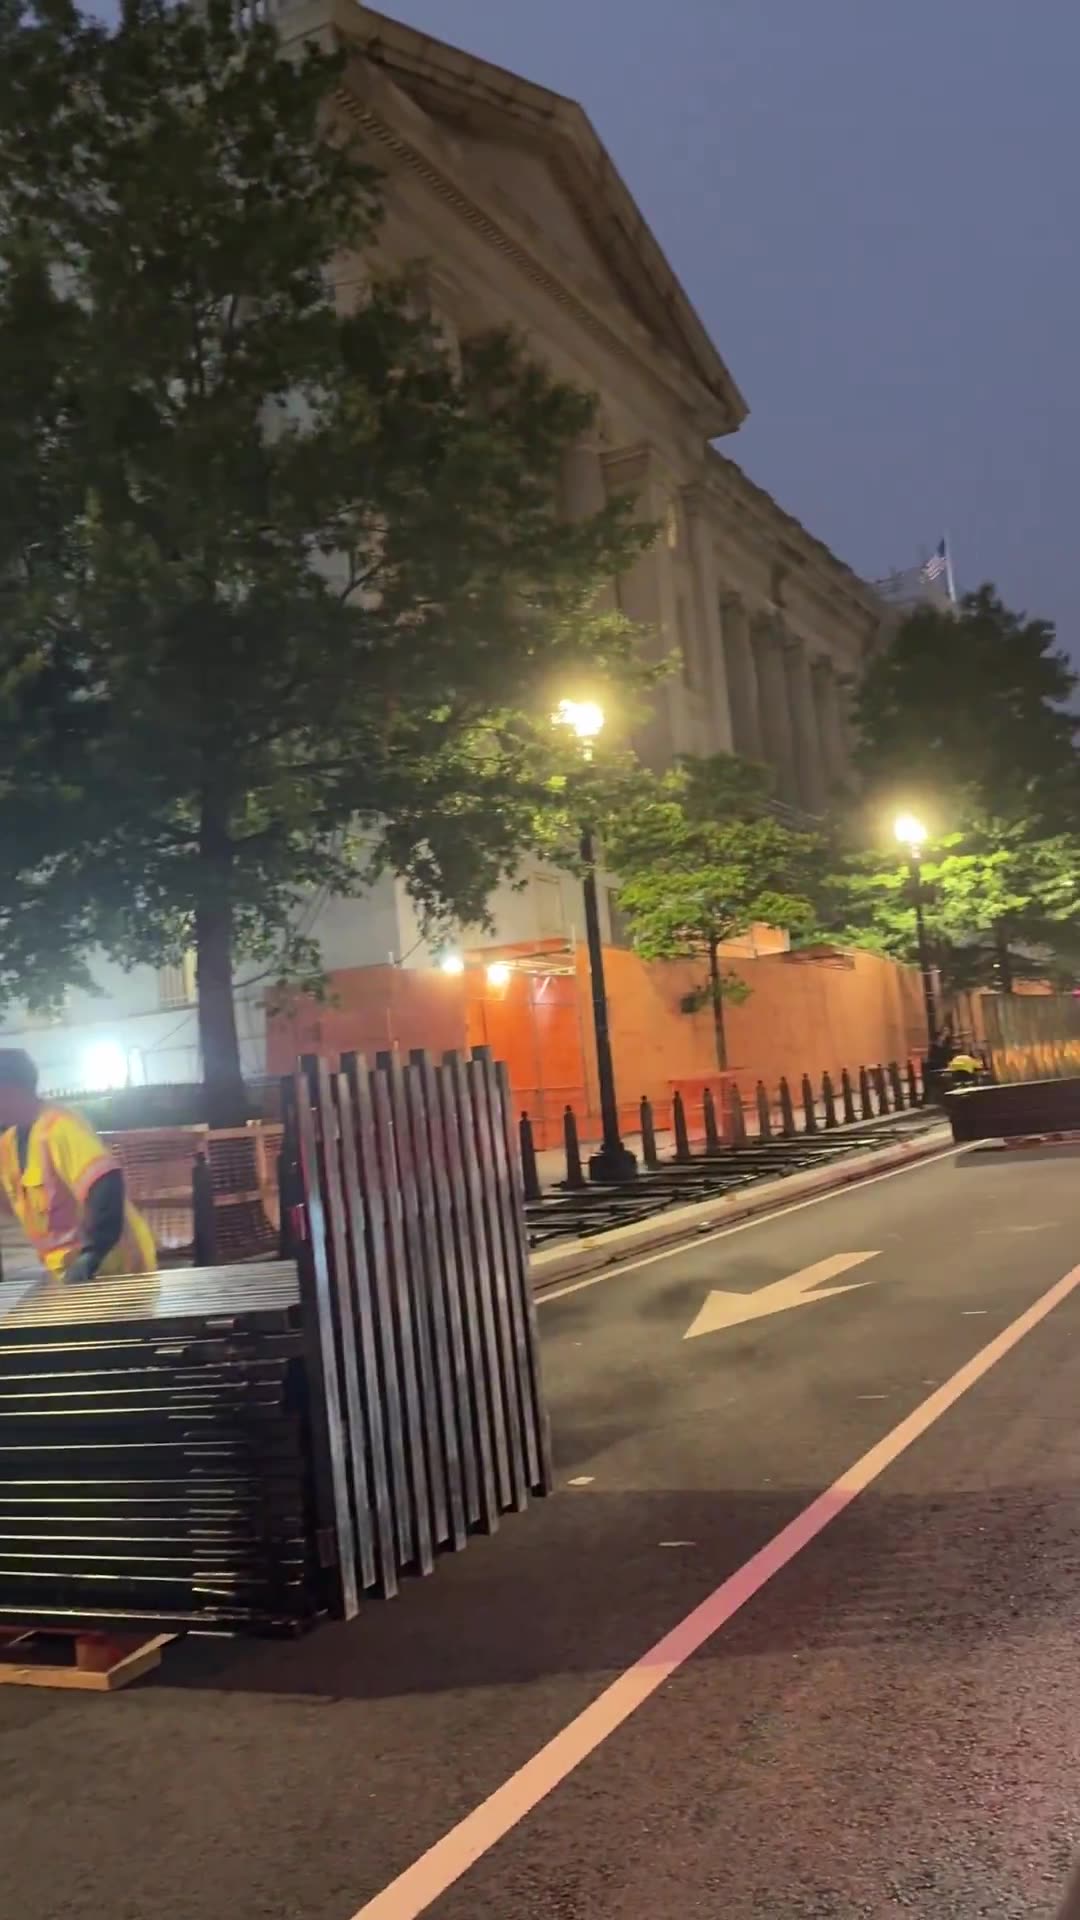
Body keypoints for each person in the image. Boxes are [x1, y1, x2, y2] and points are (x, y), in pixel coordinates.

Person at [0, 1050, 156, 1281]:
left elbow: (105, 1183)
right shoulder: (9, 1143)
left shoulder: (60, 1126)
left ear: (9, 1090)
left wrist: (91, 1254)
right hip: (68, 1271)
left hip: (113, 1268)